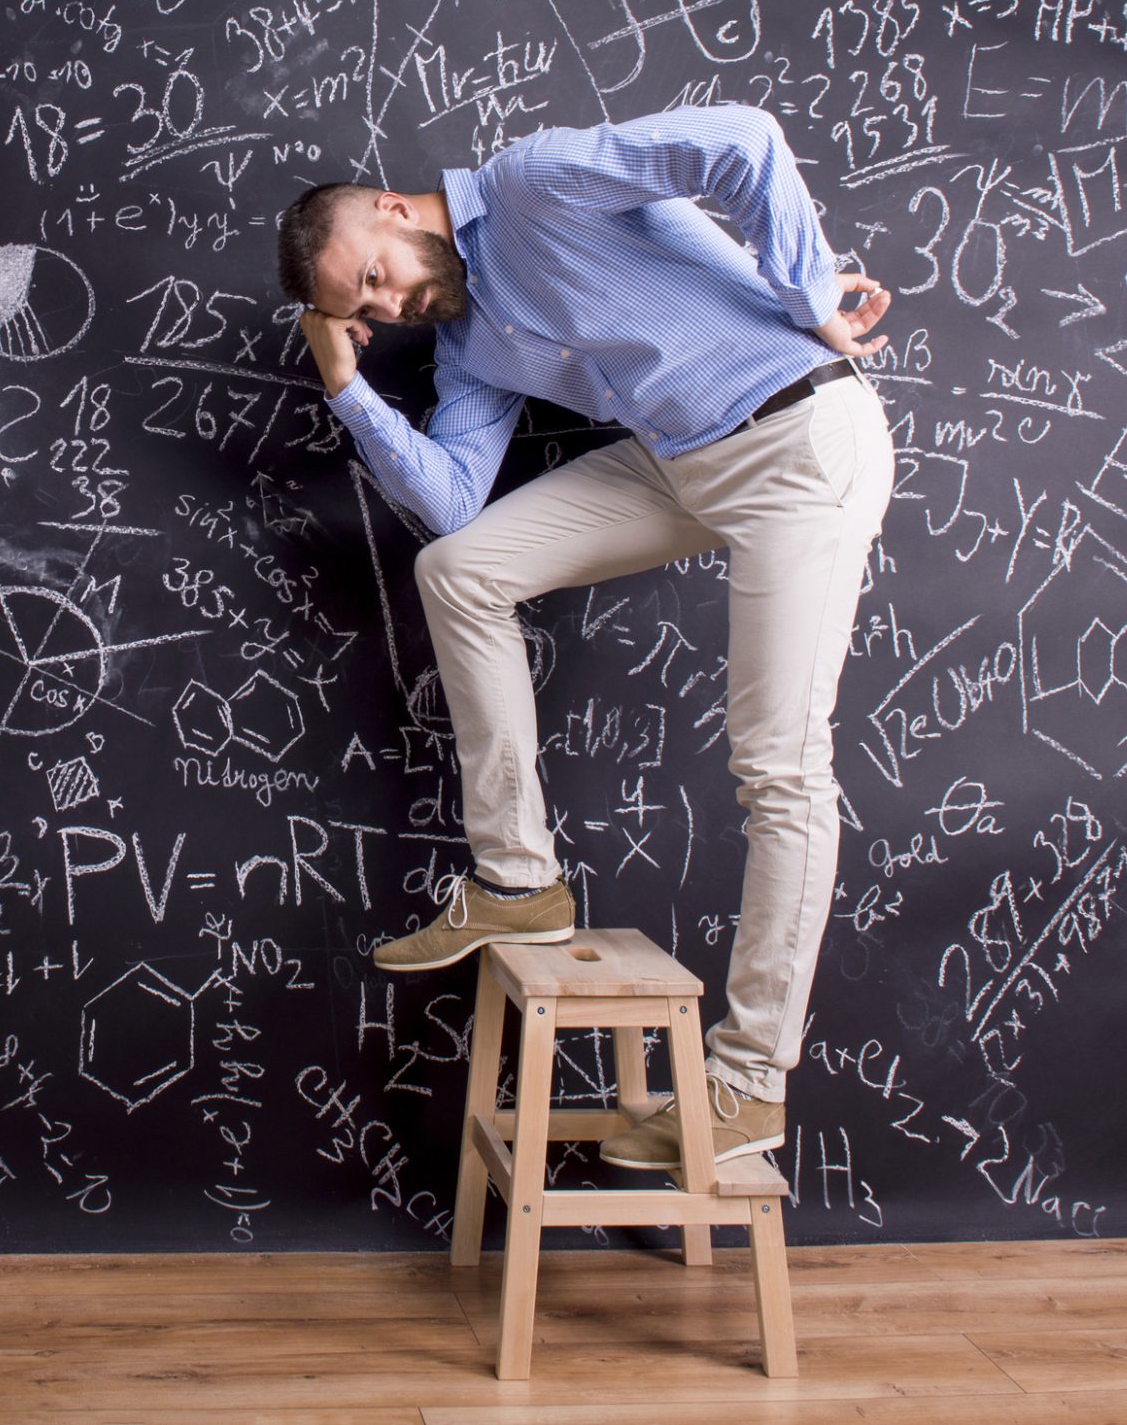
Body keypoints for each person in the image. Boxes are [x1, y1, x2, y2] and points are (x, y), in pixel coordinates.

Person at [275, 104, 895, 1170]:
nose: (391, 304)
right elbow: (452, 502)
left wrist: (806, 300)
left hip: (798, 441)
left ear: (389, 208)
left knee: (777, 766)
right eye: (365, 308)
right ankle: (520, 885)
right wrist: (347, 384)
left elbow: (741, 141)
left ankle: (748, 1083)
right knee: (457, 570)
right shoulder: (465, 340)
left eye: (373, 277)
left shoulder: (531, 180)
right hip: (684, 464)